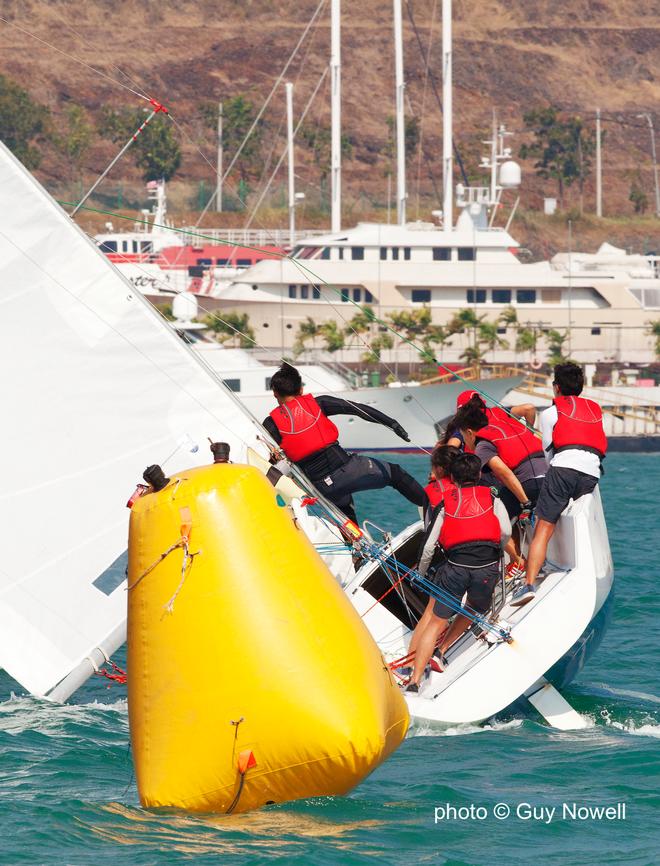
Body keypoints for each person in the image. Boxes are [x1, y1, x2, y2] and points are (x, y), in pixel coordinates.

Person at [262, 363, 426, 523]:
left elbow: (266, 460)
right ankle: (433, 509)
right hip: (348, 470)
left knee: (345, 508)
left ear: (275, 393)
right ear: (301, 390)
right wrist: (392, 424)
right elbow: (357, 409)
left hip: (321, 488)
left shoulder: (271, 424)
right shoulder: (319, 403)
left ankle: (354, 546)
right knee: (396, 474)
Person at [404, 453, 511, 692]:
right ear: (479, 475)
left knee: (435, 621)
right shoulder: (492, 497)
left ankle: (414, 681)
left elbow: (429, 546)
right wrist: (497, 551)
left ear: (453, 478)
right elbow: (505, 530)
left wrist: (421, 573)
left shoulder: (445, 503)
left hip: (455, 567)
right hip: (485, 567)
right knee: (476, 608)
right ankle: (440, 653)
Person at [511, 362, 607, 607]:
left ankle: (529, 584)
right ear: (581, 387)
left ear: (556, 387)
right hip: (591, 472)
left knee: (544, 526)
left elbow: (547, 453)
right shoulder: (595, 410)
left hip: (563, 468)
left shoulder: (550, 413)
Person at [456, 402, 547, 572]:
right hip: (548, 481)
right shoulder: (508, 427)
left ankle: (519, 562)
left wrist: (525, 503)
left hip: (529, 485)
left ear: (469, 432)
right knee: (506, 503)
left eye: (463, 436)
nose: (465, 442)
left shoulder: (482, 445)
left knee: (491, 518)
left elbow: (504, 473)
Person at [403, 445, 460, 677]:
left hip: (436, 552)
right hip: (456, 556)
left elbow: (429, 526)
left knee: (431, 612)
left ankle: (411, 663)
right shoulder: (461, 490)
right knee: (436, 612)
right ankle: (417, 661)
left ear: (437, 469)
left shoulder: (430, 490)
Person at [442, 390, 537, 451]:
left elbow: (451, 447)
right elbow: (529, 408)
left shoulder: (467, 423)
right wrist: (528, 434)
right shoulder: (499, 412)